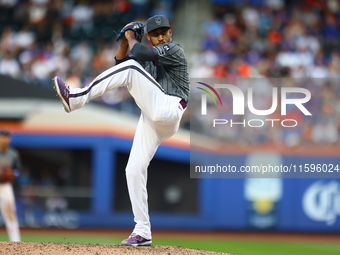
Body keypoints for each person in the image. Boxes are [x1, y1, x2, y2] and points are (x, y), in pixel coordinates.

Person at [53, 15, 189, 246]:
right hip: (152, 118)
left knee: (133, 67)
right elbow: (120, 68)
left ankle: (75, 98)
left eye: (163, 32)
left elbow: (140, 57)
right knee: (133, 170)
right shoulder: (145, 56)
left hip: (169, 108)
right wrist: (125, 42)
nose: (160, 36)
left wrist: (130, 37)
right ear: (148, 36)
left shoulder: (174, 49)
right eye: (155, 34)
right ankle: (143, 230)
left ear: (170, 33)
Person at [0, 128, 21, 242]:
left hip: (5, 186)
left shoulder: (13, 153)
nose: (5, 139)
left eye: (7, 137)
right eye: (2, 137)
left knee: (11, 214)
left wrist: (13, 174)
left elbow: (18, 170)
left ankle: (15, 243)